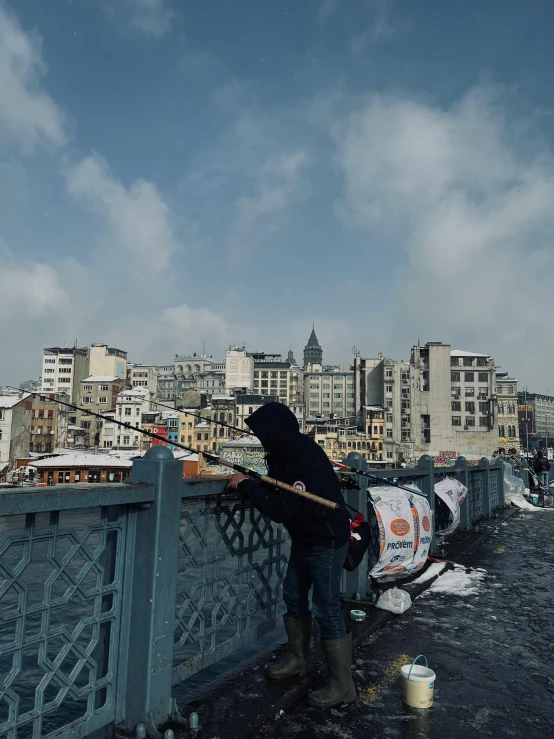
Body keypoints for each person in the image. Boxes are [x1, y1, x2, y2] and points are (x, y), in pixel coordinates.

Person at [226, 402, 355, 708]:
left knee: (326, 608)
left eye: (262, 434)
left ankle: (343, 685)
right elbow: (281, 492)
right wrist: (256, 483)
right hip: (305, 538)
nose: (259, 440)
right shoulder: (286, 453)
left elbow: (281, 509)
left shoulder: (301, 459)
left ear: (275, 433)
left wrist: (245, 486)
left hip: (326, 540)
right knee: (294, 595)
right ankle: (298, 660)